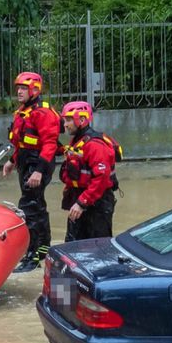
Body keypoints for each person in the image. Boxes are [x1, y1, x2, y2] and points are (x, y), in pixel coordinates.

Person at [1, 71, 60, 272]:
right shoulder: (23, 112)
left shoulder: (43, 113)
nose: (19, 91)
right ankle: (43, 249)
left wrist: (39, 172)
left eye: (23, 88)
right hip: (27, 162)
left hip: (38, 164)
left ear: (34, 90)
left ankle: (32, 256)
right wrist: (11, 161)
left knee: (29, 207)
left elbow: (50, 144)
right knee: (37, 206)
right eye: (18, 87)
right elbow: (22, 142)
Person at [59, 101, 120, 242]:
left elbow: (101, 179)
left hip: (96, 203)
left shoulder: (95, 145)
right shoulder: (77, 141)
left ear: (81, 119)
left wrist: (81, 203)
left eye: (68, 120)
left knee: (98, 248)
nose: (65, 125)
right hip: (82, 199)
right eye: (64, 120)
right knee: (73, 243)